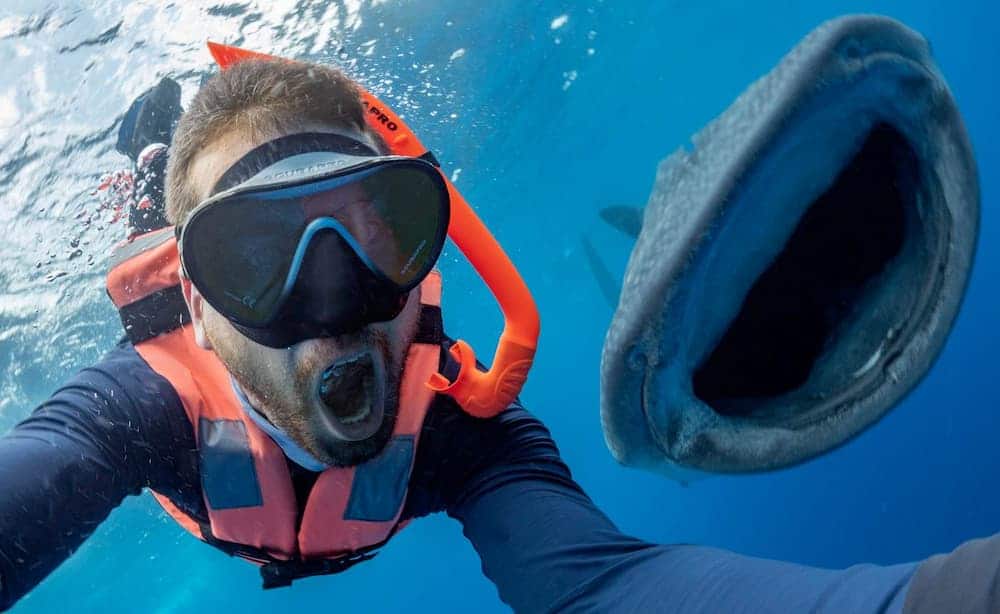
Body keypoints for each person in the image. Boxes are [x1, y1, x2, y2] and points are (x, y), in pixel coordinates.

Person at [1, 48, 998, 614]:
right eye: (256, 260)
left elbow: (603, 587)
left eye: (370, 231)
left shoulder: (456, 423)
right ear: (201, 306)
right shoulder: (137, 405)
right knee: (152, 172)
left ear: (420, 250)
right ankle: (152, 161)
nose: (333, 301)